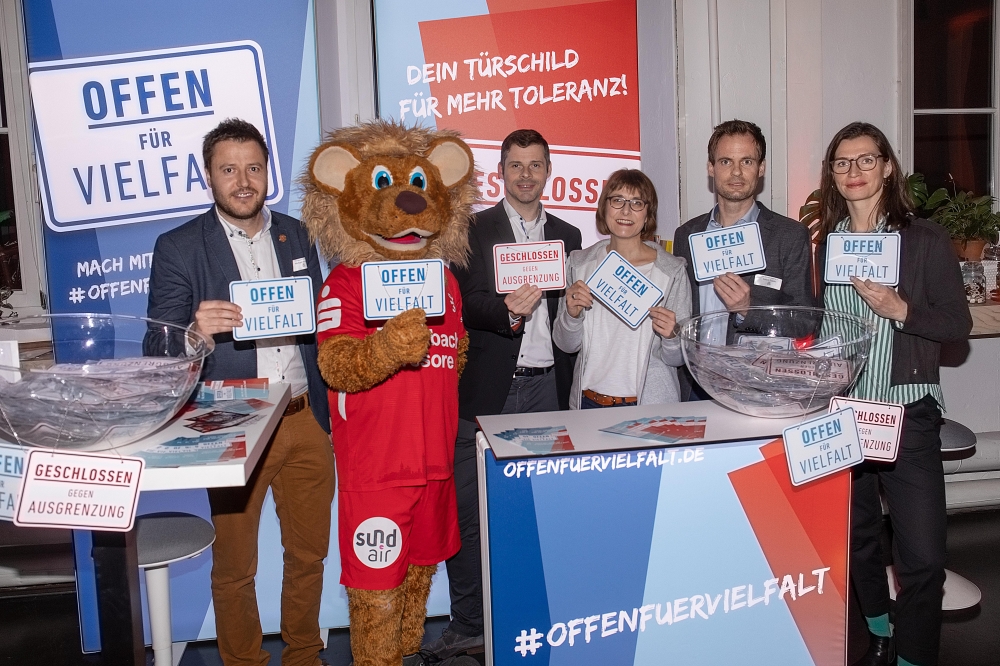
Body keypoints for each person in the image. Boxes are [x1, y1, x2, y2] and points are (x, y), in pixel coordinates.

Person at [147, 118, 335, 666]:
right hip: (234, 422)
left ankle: (304, 655)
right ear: (208, 176)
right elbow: (157, 349)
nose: (243, 181)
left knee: (309, 555)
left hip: (304, 417)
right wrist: (194, 332)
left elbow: (318, 323)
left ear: (267, 172)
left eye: (253, 168)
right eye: (229, 170)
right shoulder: (179, 246)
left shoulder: (299, 234)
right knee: (235, 566)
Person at [815, 122, 971, 666]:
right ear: (832, 175)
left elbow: (956, 323)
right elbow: (825, 325)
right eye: (842, 162)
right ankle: (878, 626)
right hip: (845, 412)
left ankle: (914, 655)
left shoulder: (923, 240)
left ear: (886, 167)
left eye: (865, 160)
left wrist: (901, 309)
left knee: (923, 556)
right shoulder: (829, 244)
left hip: (906, 412)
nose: (854, 171)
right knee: (857, 535)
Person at [424, 129, 582, 660]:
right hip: (487, 393)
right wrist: (507, 309)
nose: (526, 175)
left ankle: (535, 615)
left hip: (548, 390)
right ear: (501, 173)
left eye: (535, 165)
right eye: (516, 165)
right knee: (469, 513)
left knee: (540, 511)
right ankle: (469, 622)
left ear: (549, 171)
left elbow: (571, 314)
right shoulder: (472, 230)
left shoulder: (568, 235)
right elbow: (464, 301)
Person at [673, 119, 813, 397]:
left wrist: (749, 308)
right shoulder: (687, 235)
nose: (736, 172)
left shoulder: (790, 235)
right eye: (726, 161)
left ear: (761, 168)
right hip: (693, 385)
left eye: (746, 161)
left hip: (755, 388)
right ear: (711, 168)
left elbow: (805, 322)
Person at [552, 169, 691, 408]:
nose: (626, 211)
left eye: (637, 203)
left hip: (649, 407)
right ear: (604, 208)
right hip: (588, 403)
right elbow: (566, 344)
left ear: (648, 214)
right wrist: (571, 316)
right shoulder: (578, 264)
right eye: (617, 200)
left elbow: (677, 358)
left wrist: (672, 336)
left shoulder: (672, 271)